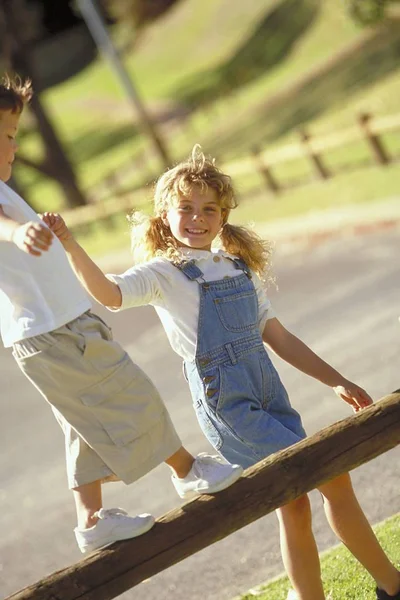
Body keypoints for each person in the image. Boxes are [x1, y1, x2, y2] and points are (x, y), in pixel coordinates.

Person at [45, 144, 400, 600]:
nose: (198, 217)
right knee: (329, 473)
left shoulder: (237, 267)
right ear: (164, 215)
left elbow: (279, 336)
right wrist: (72, 245)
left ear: (224, 214)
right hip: (227, 403)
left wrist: (337, 379)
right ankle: (390, 585)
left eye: (209, 208)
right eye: (186, 208)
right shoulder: (163, 274)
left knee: (293, 503)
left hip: (268, 392)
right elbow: (110, 295)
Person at [0, 77, 243, 555]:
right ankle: (187, 470)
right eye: (7, 135)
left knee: (81, 424)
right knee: (131, 392)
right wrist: (18, 235)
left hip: (52, 329)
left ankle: (91, 521)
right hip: (52, 331)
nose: (14, 145)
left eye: (14, 134)